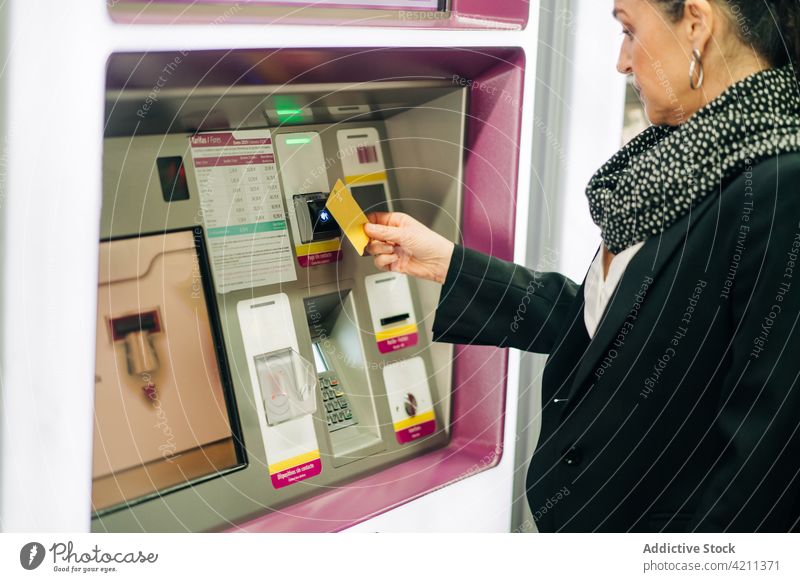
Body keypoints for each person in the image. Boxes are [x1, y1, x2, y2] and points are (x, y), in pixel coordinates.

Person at [364, 0, 800, 532]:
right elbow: (617, 333)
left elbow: (767, 470)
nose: (621, 61)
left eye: (629, 30)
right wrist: (450, 266)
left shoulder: (782, 185)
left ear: (695, 23)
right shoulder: (685, 161)